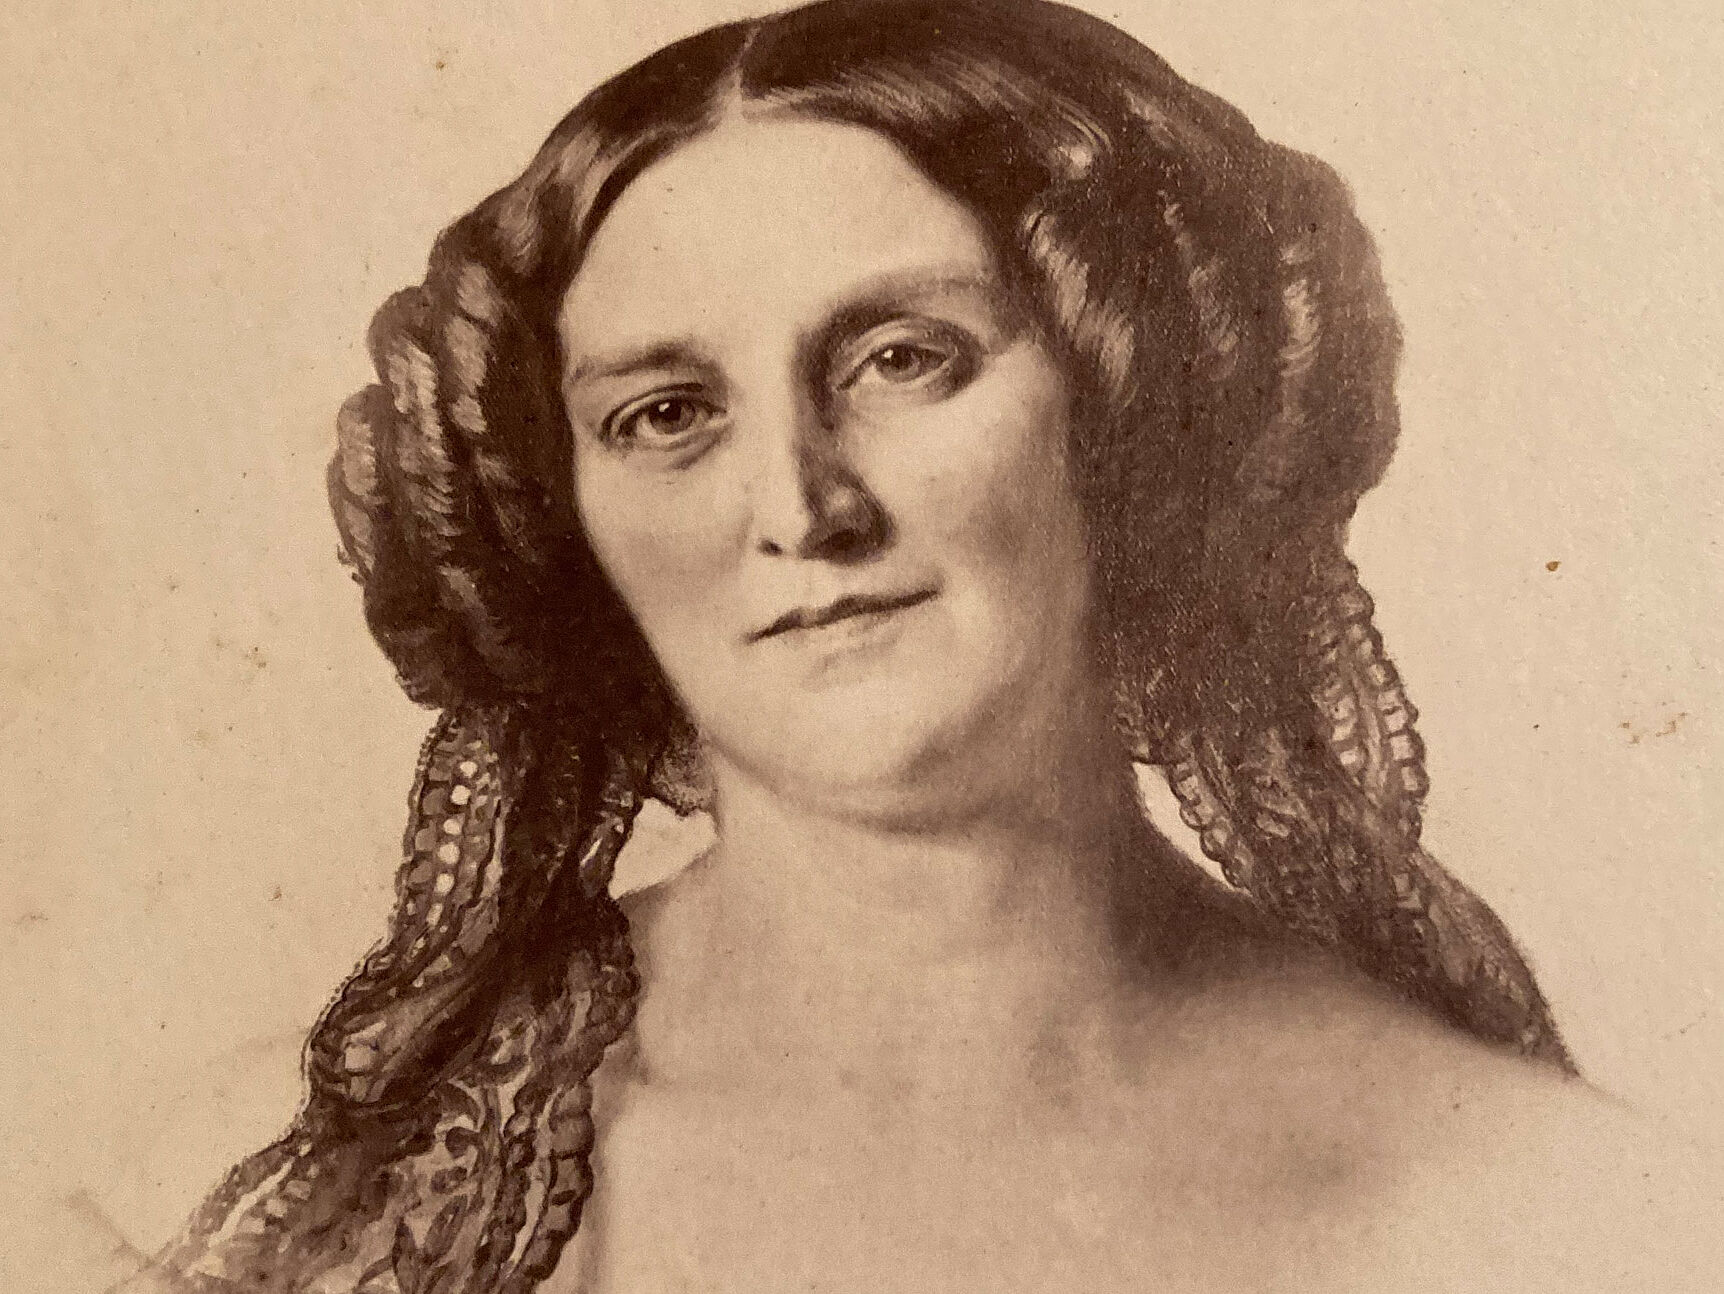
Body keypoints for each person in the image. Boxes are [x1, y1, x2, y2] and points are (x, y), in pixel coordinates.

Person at [119, 1, 1715, 1290]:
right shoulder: (257, 1204)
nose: (801, 507)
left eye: (901, 358)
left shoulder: (1565, 1212)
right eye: (668, 414)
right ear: (564, 507)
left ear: (1129, 404)